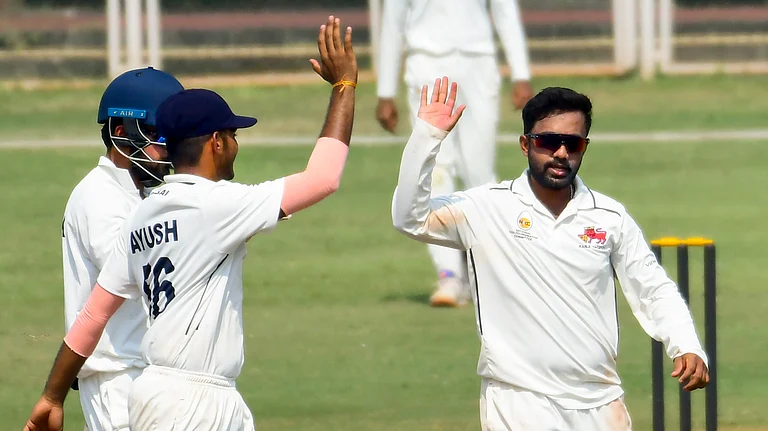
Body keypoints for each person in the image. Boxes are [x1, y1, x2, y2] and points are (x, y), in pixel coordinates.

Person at [24, 15, 357, 431]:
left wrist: (51, 396)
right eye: (233, 135)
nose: (238, 144)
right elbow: (322, 179)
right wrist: (345, 87)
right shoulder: (204, 206)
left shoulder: (146, 210)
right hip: (141, 384)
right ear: (216, 142)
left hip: (158, 384)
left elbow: (93, 314)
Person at [391, 78, 710, 430]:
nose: (561, 153)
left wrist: (685, 344)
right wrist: (427, 138)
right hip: (519, 400)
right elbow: (409, 217)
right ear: (526, 144)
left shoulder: (609, 216)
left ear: (584, 147)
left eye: (572, 144)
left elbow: (653, 288)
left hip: (599, 401)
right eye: (548, 142)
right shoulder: (486, 207)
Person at [377, 0, 535, 307]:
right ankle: (449, 273)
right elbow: (393, 23)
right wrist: (385, 92)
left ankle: (485, 270)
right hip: (426, 63)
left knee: (479, 172)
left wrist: (521, 73)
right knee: (435, 167)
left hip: (479, 61)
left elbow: (504, 10)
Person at [61, 66, 184, 431]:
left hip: (147, 376)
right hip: (116, 380)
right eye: (159, 135)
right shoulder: (99, 196)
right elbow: (133, 269)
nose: (167, 150)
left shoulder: (141, 192)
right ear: (121, 132)